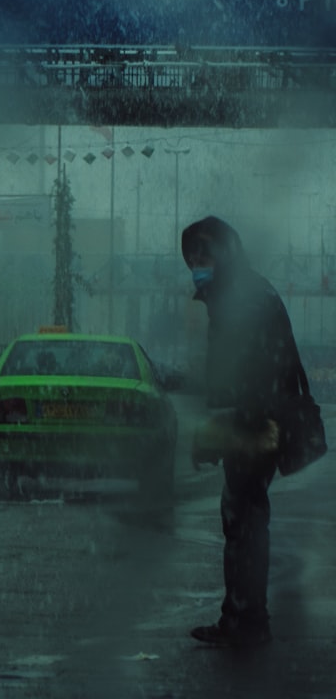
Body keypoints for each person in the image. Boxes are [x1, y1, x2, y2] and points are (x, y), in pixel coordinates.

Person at [181, 216, 302, 647]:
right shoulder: (243, 291)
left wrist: (220, 431)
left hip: (257, 422)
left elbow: (242, 376)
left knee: (244, 520)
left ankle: (246, 621)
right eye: (192, 257)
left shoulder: (241, 298)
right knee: (245, 520)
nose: (197, 264)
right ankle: (244, 616)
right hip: (260, 418)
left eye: (204, 255)